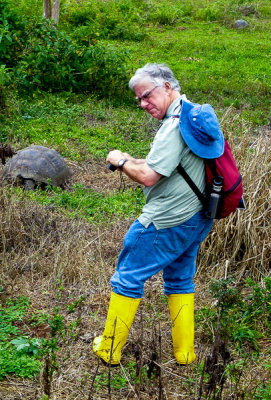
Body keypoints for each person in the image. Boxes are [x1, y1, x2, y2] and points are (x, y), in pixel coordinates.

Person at [92, 63, 222, 366]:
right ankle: (184, 353)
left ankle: (109, 349)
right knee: (180, 278)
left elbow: (150, 176)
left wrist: (120, 161)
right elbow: (173, 165)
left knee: (127, 276)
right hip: (197, 216)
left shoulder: (175, 124)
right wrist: (131, 159)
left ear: (166, 86)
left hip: (166, 220)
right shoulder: (194, 114)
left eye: (146, 96)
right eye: (138, 99)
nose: (143, 104)